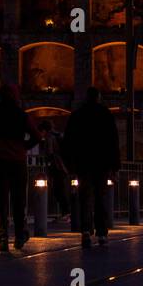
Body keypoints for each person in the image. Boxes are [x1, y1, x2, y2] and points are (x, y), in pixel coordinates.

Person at [0, 84, 42, 253]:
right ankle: (20, 235)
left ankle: (3, 238)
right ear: (16, 97)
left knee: (0, 201)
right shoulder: (22, 116)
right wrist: (24, 147)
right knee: (19, 199)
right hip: (18, 162)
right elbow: (37, 136)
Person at [62, 87, 121, 248]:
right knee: (100, 197)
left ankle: (86, 231)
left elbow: (68, 141)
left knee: (84, 197)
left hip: (83, 162)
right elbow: (113, 141)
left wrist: (70, 165)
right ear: (99, 98)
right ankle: (102, 233)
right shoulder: (105, 115)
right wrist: (115, 167)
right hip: (101, 163)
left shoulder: (77, 115)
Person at [36, 119, 70, 218]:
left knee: (58, 190)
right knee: (61, 189)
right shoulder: (58, 135)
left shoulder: (49, 137)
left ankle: (66, 212)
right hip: (63, 167)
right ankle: (65, 212)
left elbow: (50, 152)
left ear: (44, 130)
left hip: (56, 166)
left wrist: (49, 164)